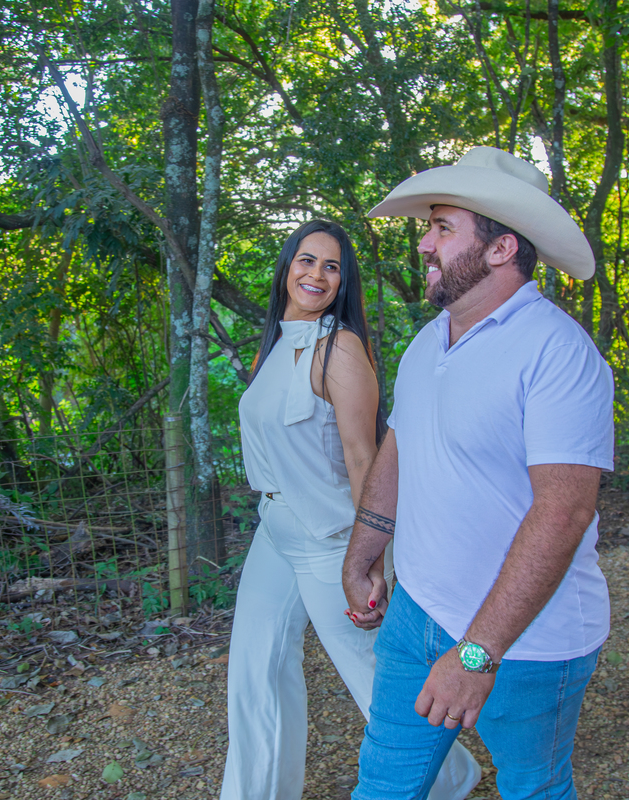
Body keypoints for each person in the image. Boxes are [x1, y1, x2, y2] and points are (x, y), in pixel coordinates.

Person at [342, 147, 615, 800]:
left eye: (442, 228)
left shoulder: (558, 352)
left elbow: (564, 512)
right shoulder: (427, 342)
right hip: (415, 612)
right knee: (382, 786)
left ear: (500, 249)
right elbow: (399, 452)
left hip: (528, 645)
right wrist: (362, 555)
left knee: (534, 788)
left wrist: (477, 654)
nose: (424, 245)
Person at [220, 219, 481, 800]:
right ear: (287, 267)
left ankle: (448, 777)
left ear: (343, 282)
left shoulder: (339, 348)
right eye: (306, 260)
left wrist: (374, 562)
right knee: (256, 670)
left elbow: (367, 459)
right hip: (275, 530)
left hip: (331, 537)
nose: (316, 274)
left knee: (372, 677)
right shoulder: (276, 342)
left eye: (332, 266)